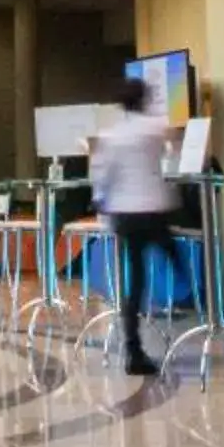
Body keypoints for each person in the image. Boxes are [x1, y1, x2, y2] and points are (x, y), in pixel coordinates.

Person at [89, 77, 176, 379]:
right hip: (154, 210)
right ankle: (192, 298)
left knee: (134, 281)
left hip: (125, 215)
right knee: (171, 254)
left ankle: (133, 348)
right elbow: (168, 152)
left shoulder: (113, 135)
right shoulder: (156, 127)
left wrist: (99, 200)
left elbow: (103, 174)